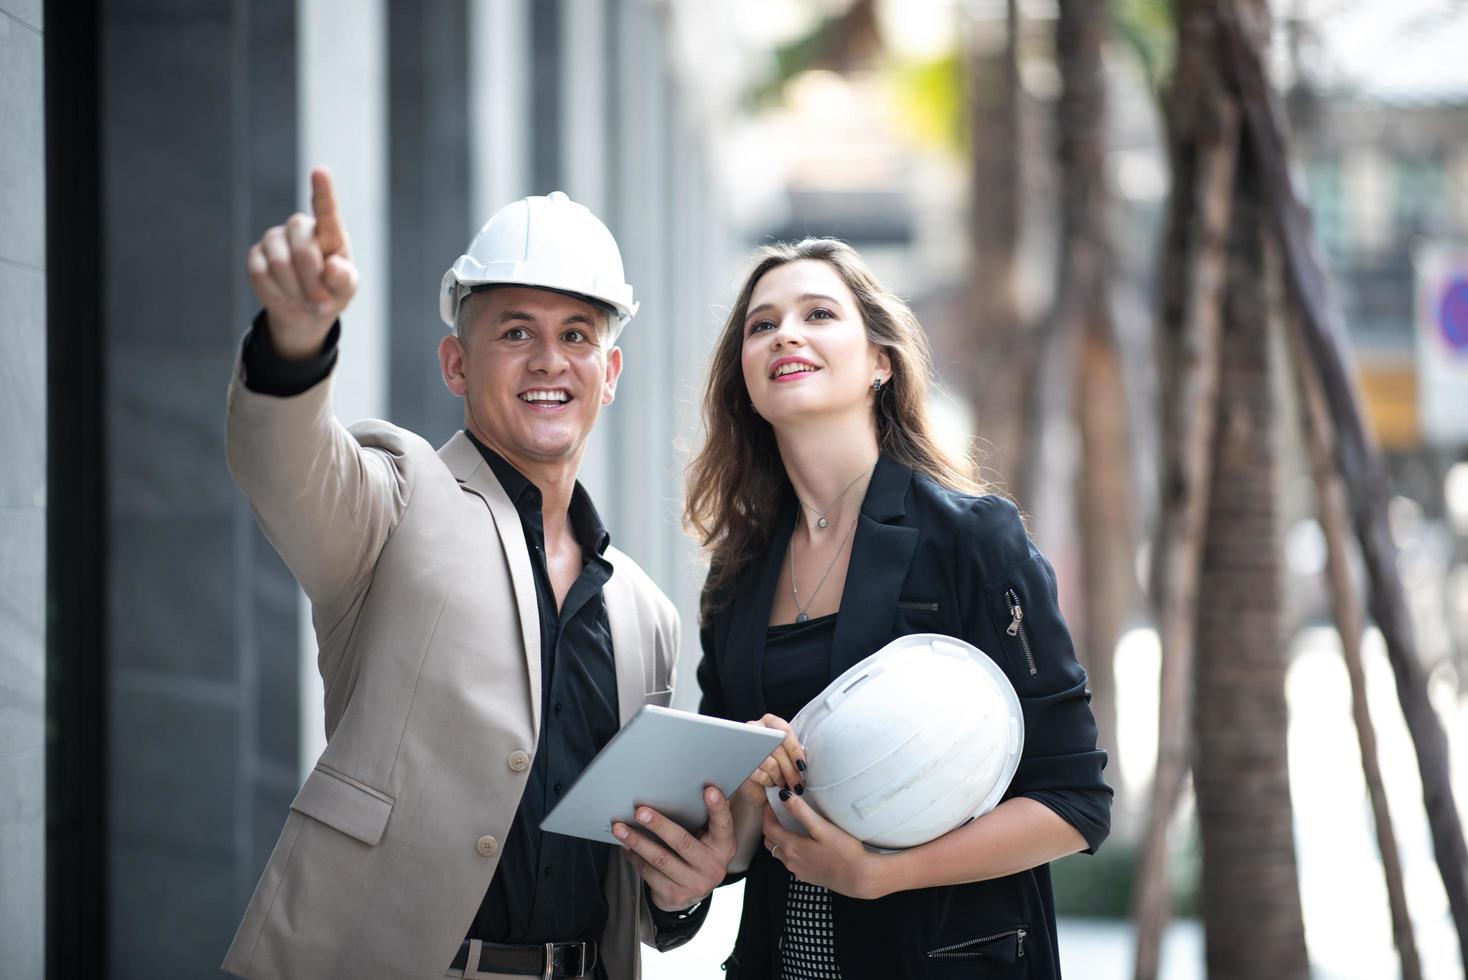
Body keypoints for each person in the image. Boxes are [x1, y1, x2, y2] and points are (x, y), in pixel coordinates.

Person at [222, 169, 733, 980]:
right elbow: (288, 466)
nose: (549, 361)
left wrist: (684, 893)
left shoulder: (644, 614)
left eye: (576, 335)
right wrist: (295, 341)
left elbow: (637, 886)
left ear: (611, 372)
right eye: (515, 333)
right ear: (456, 363)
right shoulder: (398, 498)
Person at [686, 238, 1112, 979]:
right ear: (745, 382)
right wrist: (745, 780)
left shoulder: (973, 539)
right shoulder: (737, 575)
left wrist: (881, 874)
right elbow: (733, 834)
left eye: (819, 313)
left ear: (881, 360)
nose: (786, 332)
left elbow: (1075, 802)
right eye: (762, 325)